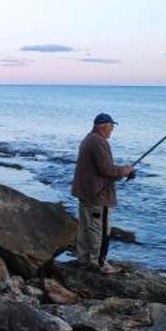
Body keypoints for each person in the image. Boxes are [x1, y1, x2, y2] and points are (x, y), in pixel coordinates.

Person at [71, 113, 135, 274]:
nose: (112, 131)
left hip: (86, 193)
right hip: (98, 196)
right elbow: (106, 170)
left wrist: (121, 172)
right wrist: (125, 170)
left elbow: (100, 170)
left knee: (86, 228)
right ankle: (99, 263)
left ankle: (84, 259)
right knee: (100, 230)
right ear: (104, 126)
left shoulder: (89, 139)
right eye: (111, 127)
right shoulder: (99, 142)